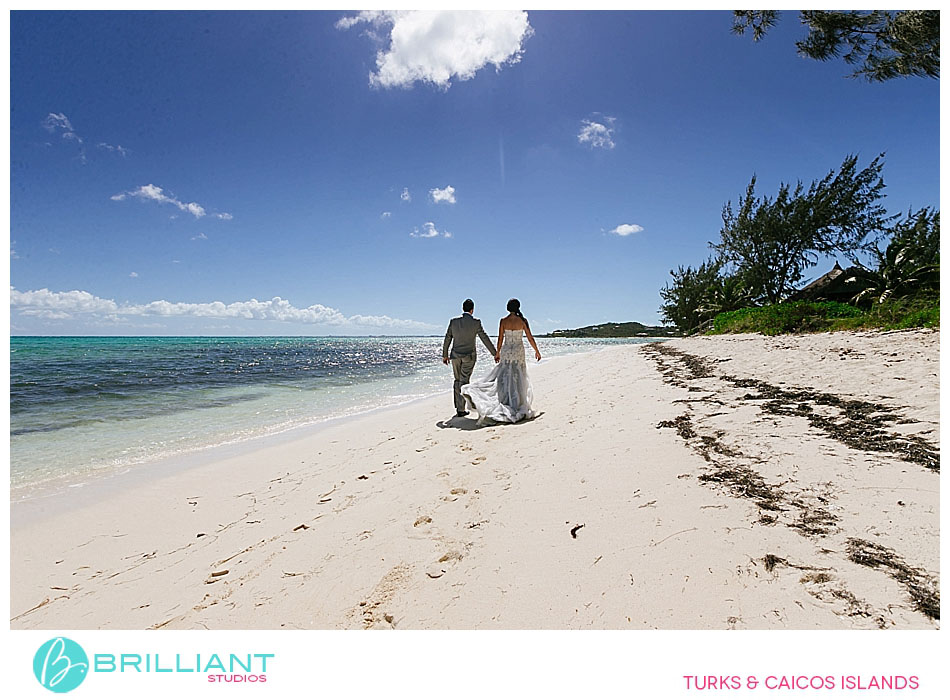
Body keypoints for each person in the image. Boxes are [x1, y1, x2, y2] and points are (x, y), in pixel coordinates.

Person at [460, 298, 541, 424]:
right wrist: (537, 351)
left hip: (507, 351)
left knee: (505, 376)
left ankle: (506, 401)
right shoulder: (522, 321)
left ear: (508, 308)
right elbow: (530, 338)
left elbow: (500, 338)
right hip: (518, 351)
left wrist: (497, 352)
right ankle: (517, 402)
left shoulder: (503, 321)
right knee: (518, 376)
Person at [443, 299, 498, 418]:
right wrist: (494, 353)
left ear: (463, 309)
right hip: (469, 356)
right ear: (472, 310)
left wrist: (445, 355)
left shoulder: (453, 322)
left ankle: (460, 408)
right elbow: (484, 338)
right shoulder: (476, 322)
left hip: (455, 357)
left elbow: (448, 338)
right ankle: (462, 408)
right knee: (464, 381)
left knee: (457, 380)